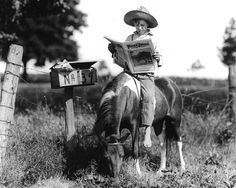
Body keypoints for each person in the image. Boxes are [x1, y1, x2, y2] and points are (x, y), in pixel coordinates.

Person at [108, 6, 161, 147]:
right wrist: (115, 51)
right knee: (116, 89)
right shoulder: (129, 38)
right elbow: (123, 56)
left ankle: (147, 132)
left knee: (149, 97)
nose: (139, 27)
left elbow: (159, 58)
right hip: (130, 72)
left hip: (146, 74)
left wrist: (157, 57)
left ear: (147, 26)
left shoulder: (153, 39)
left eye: (142, 25)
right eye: (137, 24)